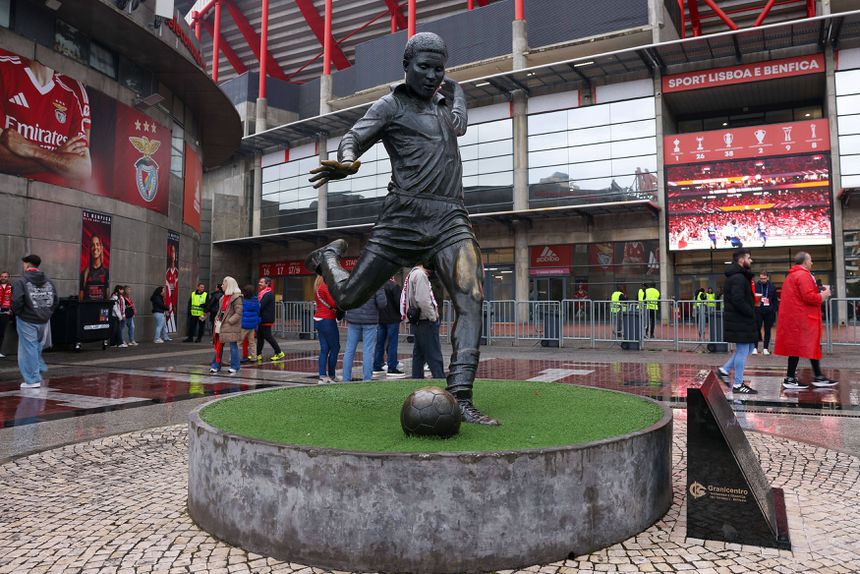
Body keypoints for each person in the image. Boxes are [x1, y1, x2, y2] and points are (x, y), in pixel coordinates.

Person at [306, 33, 496, 424]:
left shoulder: (444, 107)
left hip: (449, 218)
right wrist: (347, 160)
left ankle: (460, 395)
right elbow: (354, 137)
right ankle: (327, 257)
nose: (430, 76)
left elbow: (460, 122)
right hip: (403, 217)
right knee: (347, 297)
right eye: (423, 67)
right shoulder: (390, 105)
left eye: (438, 69)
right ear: (406, 67)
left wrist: (458, 89)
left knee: (471, 295)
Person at [0, 49, 92, 184]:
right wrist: (58, 158)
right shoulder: (5, 68)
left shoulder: (73, 89)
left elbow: (83, 169)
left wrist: (31, 149)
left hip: (54, 200)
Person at [775, 252, 838, 390]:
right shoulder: (803, 275)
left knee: (803, 347)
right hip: (803, 318)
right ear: (804, 262)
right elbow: (808, 297)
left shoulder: (793, 275)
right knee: (810, 344)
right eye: (810, 260)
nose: (812, 262)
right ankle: (805, 377)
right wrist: (823, 295)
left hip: (797, 317)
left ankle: (805, 376)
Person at [11, 254, 58, 389]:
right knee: (36, 347)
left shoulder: (21, 281)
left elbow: (16, 301)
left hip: (27, 319)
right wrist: (47, 313)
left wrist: (19, 313)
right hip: (44, 320)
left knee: (28, 349)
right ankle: (37, 369)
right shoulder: (48, 281)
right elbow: (55, 300)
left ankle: (32, 379)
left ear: (27, 265)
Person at [716, 248, 759, 394]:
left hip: (740, 320)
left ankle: (725, 369)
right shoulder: (738, 278)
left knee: (746, 349)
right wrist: (750, 311)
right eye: (749, 257)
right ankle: (738, 384)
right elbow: (738, 300)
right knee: (742, 350)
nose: (751, 260)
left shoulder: (739, 276)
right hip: (739, 319)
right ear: (742, 260)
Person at [403, 264, 445, 380]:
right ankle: (440, 379)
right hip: (425, 320)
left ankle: (416, 379)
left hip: (418, 320)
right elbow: (423, 300)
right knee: (434, 354)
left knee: (419, 354)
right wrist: (433, 317)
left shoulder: (413, 273)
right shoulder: (420, 275)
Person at [342, 289, 385, 382]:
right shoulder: (376, 283)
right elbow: (382, 304)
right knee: (368, 351)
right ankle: (367, 379)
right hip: (370, 320)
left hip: (353, 318)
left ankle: (345, 379)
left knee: (349, 350)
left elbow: (345, 299)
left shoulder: (354, 279)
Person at [373, 278, 406, 379]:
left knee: (379, 343)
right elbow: (398, 302)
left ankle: (377, 365)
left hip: (380, 318)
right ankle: (392, 366)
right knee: (392, 343)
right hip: (392, 318)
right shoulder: (394, 286)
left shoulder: (377, 285)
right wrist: (401, 315)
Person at [209, 276, 243, 374]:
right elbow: (220, 311)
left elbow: (239, 313)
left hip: (230, 326)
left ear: (229, 285)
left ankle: (235, 366)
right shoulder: (223, 297)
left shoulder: (237, 297)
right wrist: (217, 318)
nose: (222, 286)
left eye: (224, 284)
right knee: (218, 346)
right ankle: (215, 366)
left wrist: (230, 321)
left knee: (233, 346)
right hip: (221, 324)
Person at [313, 274, 341, 383]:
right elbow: (333, 303)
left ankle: (322, 376)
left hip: (318, 319)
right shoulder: (325, 286)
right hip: (327, 319)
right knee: (335, 347)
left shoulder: (317, 286)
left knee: (324, 349)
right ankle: (332, 375)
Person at [256, 277, 285, 361]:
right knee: (260, 337)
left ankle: (279, 352)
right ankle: (258, 354)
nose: (259, 283)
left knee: (268, 336)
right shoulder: (262, 293)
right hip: (262, 318)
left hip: (266, 318)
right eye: (259, 282)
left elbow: (261, 305)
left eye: (262, 282)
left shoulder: (268, 294)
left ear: (267, 284)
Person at [752, 271, 778, 355]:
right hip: (758, 310)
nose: (762, 280)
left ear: (767, 278)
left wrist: (773, 309)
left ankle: (765, 348)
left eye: (764, 278)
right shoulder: (756, 286)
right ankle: (755, 348)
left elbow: (774, 300)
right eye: (761, 278)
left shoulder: (772, 287)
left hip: (769, 311)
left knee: (767, 330)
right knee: (756, 329)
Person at [79, 234, 108, 301]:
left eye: (97, 244)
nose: (95, 247)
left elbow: (107, 297)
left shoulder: (106, 272)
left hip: (100, 309)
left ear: (101, 248)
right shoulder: (84, 273)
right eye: (92, 245)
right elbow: (81, 297)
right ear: (90, 249)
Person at [240, 284, 259, 363]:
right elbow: (258, 311)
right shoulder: (256, 301)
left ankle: (235, 358)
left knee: (238, 342)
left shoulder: (243, 301)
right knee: (252, 342)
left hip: (244, 324)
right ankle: (254, 357)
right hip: (252, 324)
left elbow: (241, 311)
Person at [165, 243, 179, 332]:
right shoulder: (167, 271)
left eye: (174, 252)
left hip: (173, 293)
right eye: (171, 252)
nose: (173, 255)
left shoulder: (177, 271)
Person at [0, 271, 11, 358]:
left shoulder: (12, 287)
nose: (3, 278)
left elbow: (15, 300)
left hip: (5, 314)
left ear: (8, 278)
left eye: (5, 277)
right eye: (2, 276)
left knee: (1, 333)